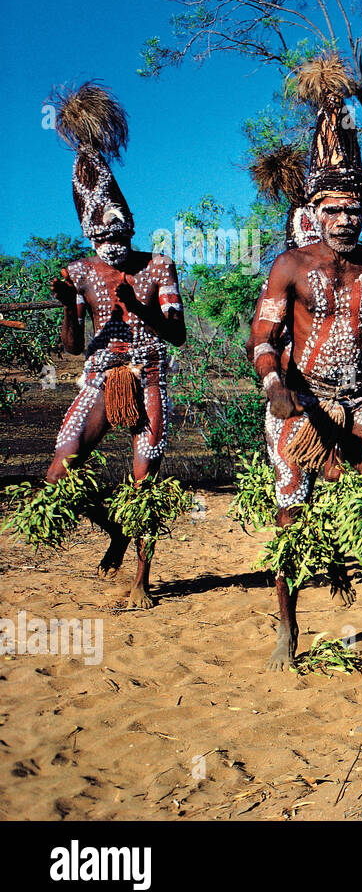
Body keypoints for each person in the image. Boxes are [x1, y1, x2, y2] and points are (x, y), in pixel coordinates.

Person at [249, 58, 362, 670]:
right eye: (335, 210)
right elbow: (262, 334)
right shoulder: (291, 266)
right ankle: (287, 627)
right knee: (292, 516)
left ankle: (345, 559)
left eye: (355, 209)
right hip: (302, 406)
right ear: (316, 210)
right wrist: (274, 385)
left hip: (359, 404)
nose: (346, 219)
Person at [45, 82, 186, 608]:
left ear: (130, 221)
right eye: (105, 235)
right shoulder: (79, 272)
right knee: (60, 472)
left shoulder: (158, 266)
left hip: (149, 376)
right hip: (102, 377)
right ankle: (116, 529)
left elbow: (177, 333)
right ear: (88, 232)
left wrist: (141, 306)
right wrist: (66, 304)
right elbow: (72, 345)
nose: (116, 241)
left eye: (122, 230)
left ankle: (142, 581)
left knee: (146, 482)